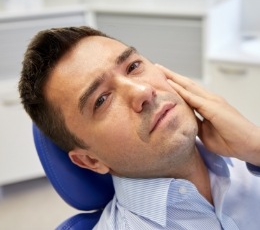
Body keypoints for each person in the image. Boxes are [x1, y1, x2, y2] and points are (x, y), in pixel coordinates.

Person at [19, 26, 260, 229]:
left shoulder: (249, 155)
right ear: (90, 161)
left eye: (133, 67)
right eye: (101, 100)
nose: (143, 91)